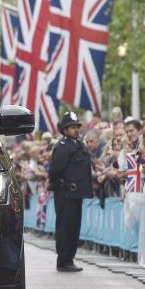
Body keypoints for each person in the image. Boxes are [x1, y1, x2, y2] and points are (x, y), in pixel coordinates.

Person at [48, 112, 92, 272]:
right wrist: (63, 184)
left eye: (77, 127)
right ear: (64, 130)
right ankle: (63, 260)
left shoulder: (79, 144)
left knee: (74, 228)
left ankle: (69, 258)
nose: (75, 130)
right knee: (65, 227)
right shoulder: (62, 147)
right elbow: (55, 170)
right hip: (65, 193)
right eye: (72, 127)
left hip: (76, 194)